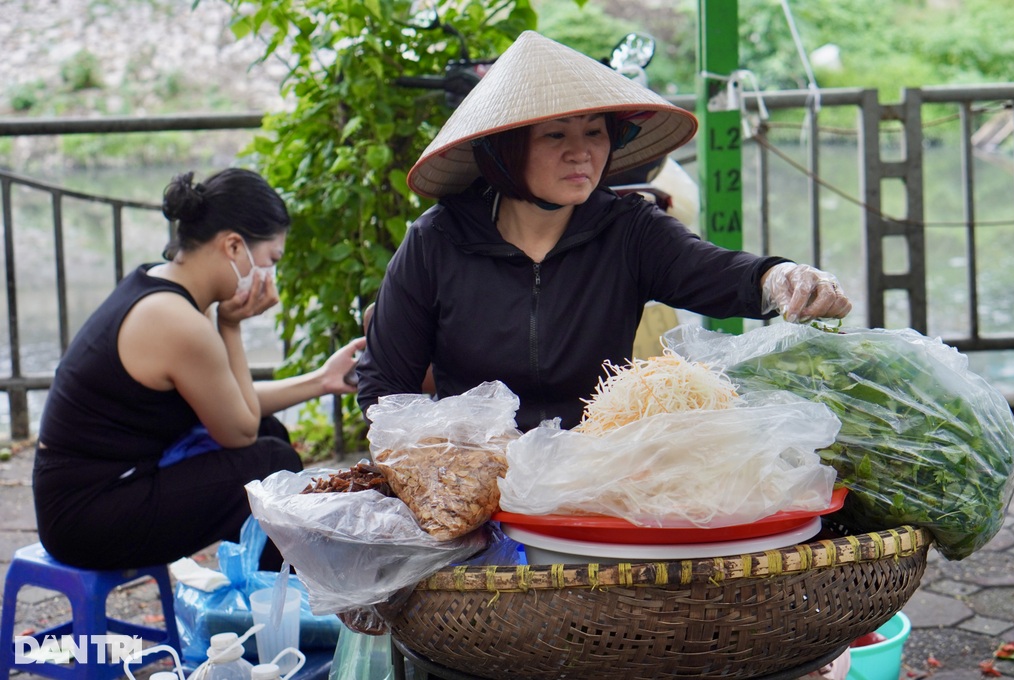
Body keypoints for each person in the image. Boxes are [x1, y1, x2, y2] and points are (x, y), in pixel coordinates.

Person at [356, 31, 851, 432]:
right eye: (556, 134)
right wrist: (437, 457)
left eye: (594, 132)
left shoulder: (628, 228)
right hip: (475, 480)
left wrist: (781, 277)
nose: (582, 152)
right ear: (504, 151)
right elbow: (384, 387)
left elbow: (715, 271)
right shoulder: (436, 242)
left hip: (593, 471)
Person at [32, 167, 365, 571]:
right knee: (267, 464)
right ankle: (282, 607)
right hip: (85, 518)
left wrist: (321, 381)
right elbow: (238, 431)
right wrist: (231, 325)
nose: (270, 274)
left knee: (271, 436)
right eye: (270, 259)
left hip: (92, 494)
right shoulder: (178, 321)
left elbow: (226, 404)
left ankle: (275, 600)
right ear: (234, 247)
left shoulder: (161, 288)